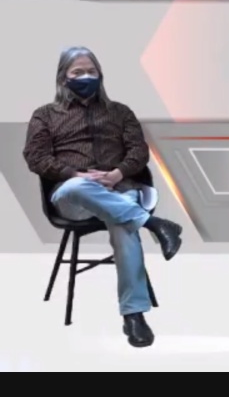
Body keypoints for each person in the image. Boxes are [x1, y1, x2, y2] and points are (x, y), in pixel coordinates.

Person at [22, 46, 183, 348]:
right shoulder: (45, 115)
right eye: (78, 72)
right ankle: (154, 224)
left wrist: (118, 173)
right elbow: (36, 157)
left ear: (100, 75)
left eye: (91, 71)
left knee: (122, 223)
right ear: (63, 77)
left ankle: (133, 315)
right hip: (74, 196)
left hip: (119, 188)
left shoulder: (120, 112)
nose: (86, 77)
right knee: (77, 188)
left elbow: (139, 152)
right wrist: (75, 174)